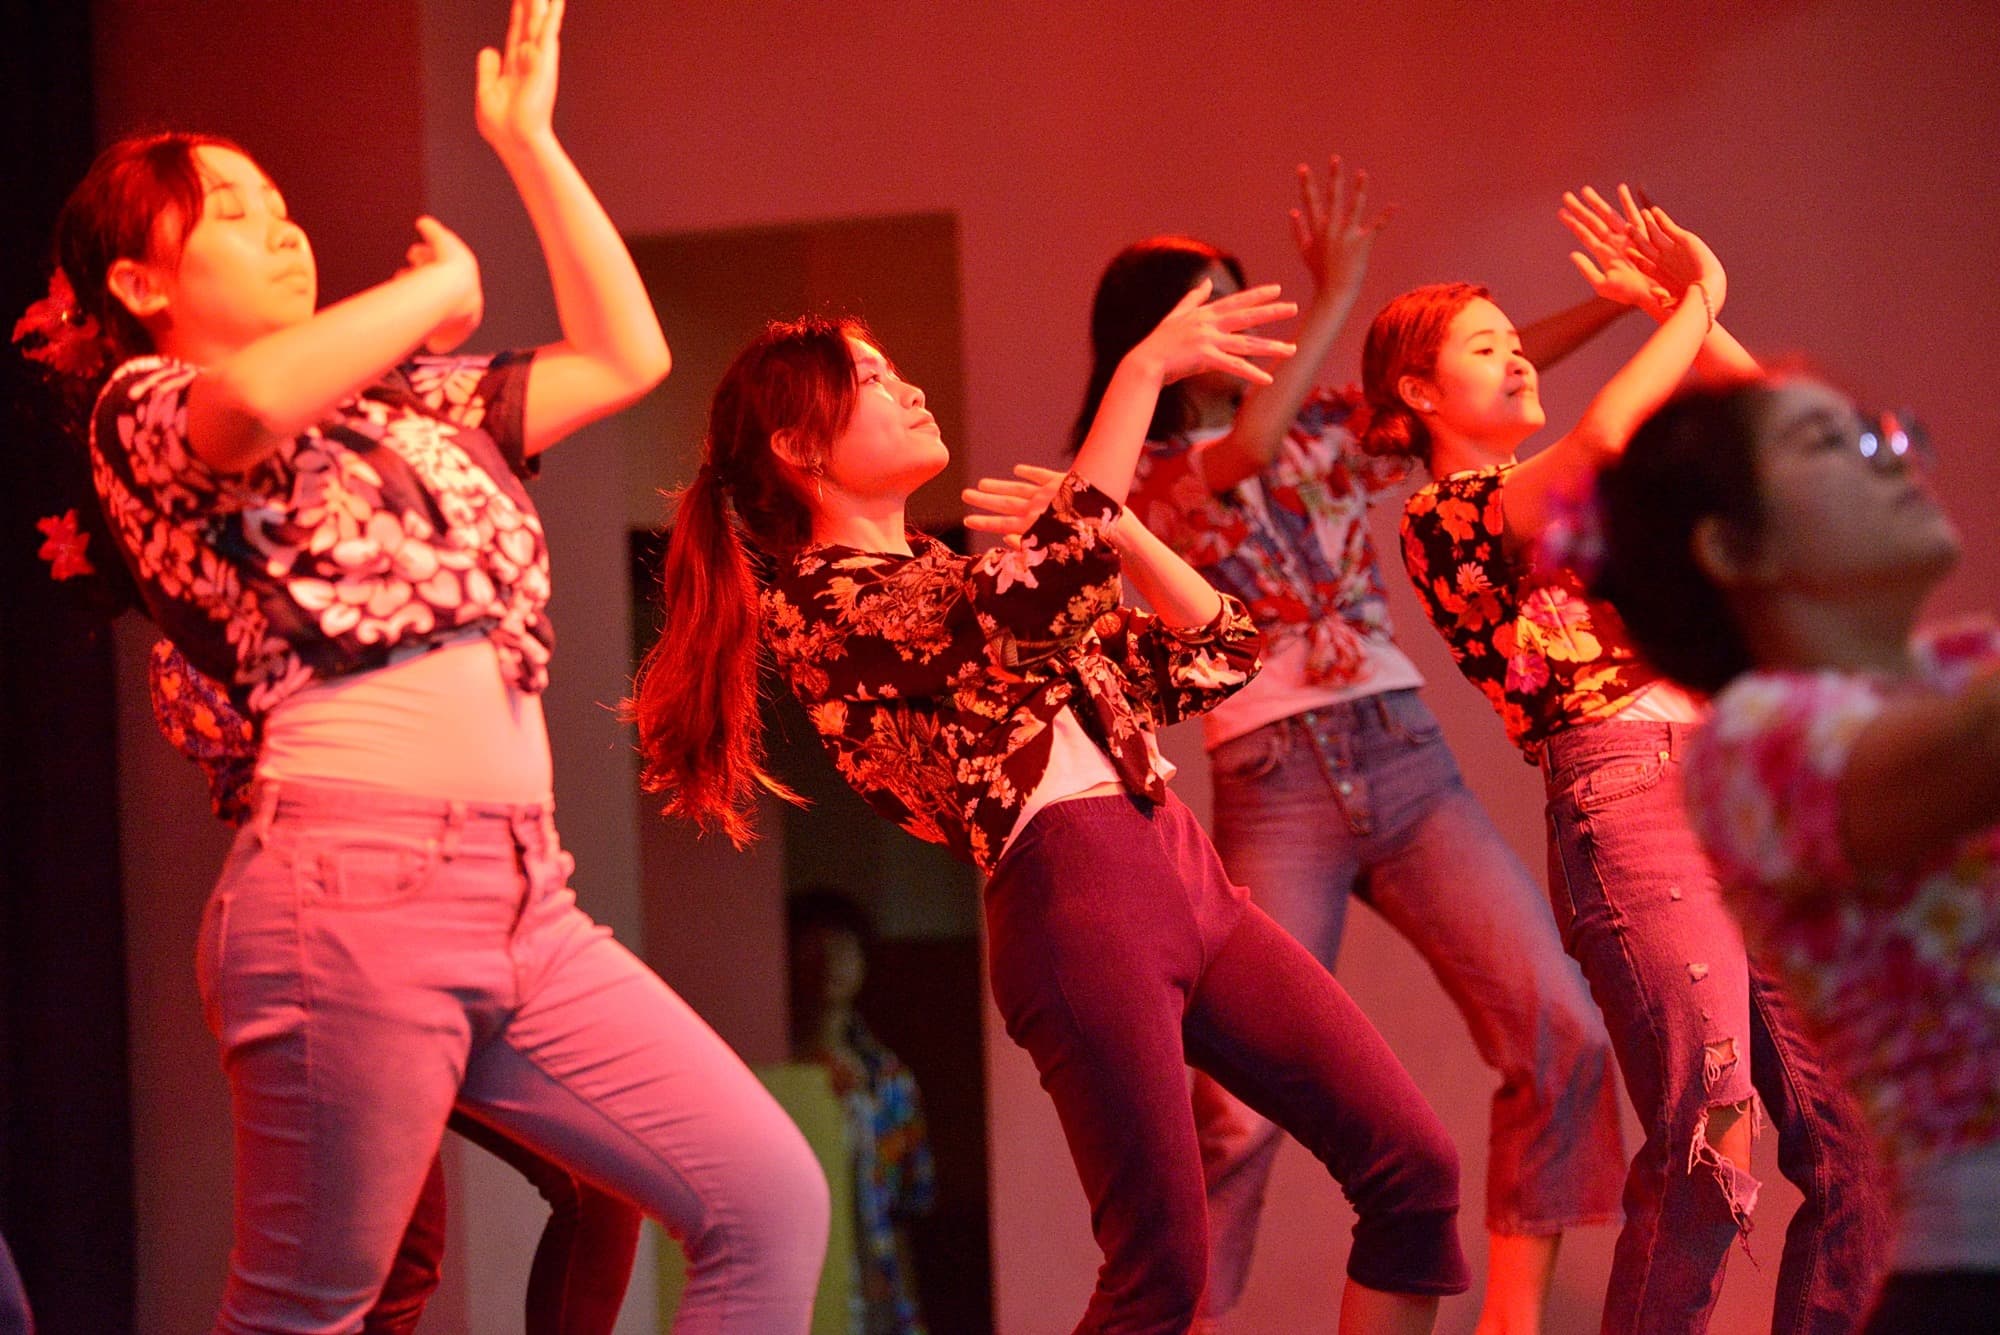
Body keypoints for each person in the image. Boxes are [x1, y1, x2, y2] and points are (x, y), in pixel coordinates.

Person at [17, 1, 828, 1327]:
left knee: (767, 1199)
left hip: (521, 888)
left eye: (280, 199)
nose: (279, 220)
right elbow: (251, 405)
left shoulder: (403, 398)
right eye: (230, 208)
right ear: (140, 283)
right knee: (317, 1302)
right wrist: (426, 294)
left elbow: (629, 354)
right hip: (346, 882)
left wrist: (526, 143)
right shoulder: (141, 408)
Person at [630, 284, 1471, 1333]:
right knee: (1159, 1271)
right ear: (799, 446)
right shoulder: (823, 603)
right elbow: (1026, 603)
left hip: (1177, 869)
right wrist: (1135, 378)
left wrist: (1111, 530)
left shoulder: (968, 581)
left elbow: (1215, 654)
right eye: (875, 380)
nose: (910, 388)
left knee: (1413, 1171)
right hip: (1079, 902)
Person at [1080, 157, 1625, 1333]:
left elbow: (1472, 374)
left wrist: (1620, 305)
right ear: (1149, 340)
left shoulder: (1331, 429)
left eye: (1242, 300)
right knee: (1236, 1106)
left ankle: (1513, 1322)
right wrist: (1339, 290)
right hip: (1275, 783)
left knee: (1561, 1027)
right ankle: (1182, 1319)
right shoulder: (1136, 473)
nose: (1239, 323)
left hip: (1400, 756)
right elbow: (1241, 455)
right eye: (1208, 307)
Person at [1369, 189, 1887, 1331]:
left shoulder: (1598, 503)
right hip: (1628, 797)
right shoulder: (1445, 513)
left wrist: (1685, 316)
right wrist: (1697, 293)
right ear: (1417, 393)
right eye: (1484, 346)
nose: (1515, 357)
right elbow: (1603, 435)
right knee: (1712, 1136)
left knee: (1861, 1157)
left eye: (1516, 341)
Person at [1592, 378, 1997, 1331]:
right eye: (1835, 442)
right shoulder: (1750, 748)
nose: (1892, 458)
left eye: (1884, 430)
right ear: (1735, 548)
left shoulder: (1958, 670)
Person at [144, 638, 644, 1335]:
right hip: (337, 939)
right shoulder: (203, 644)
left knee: (599, 1182)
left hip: (445, 921)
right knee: (391, 1260)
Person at [786, 888, 936, 1335]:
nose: (830, 961)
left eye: (845, 947)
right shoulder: (777, 1071)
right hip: (804, 1278)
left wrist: (909, 1314)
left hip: (877, 1282)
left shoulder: (889, 1079)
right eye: (815, 945)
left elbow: (907, 1206)